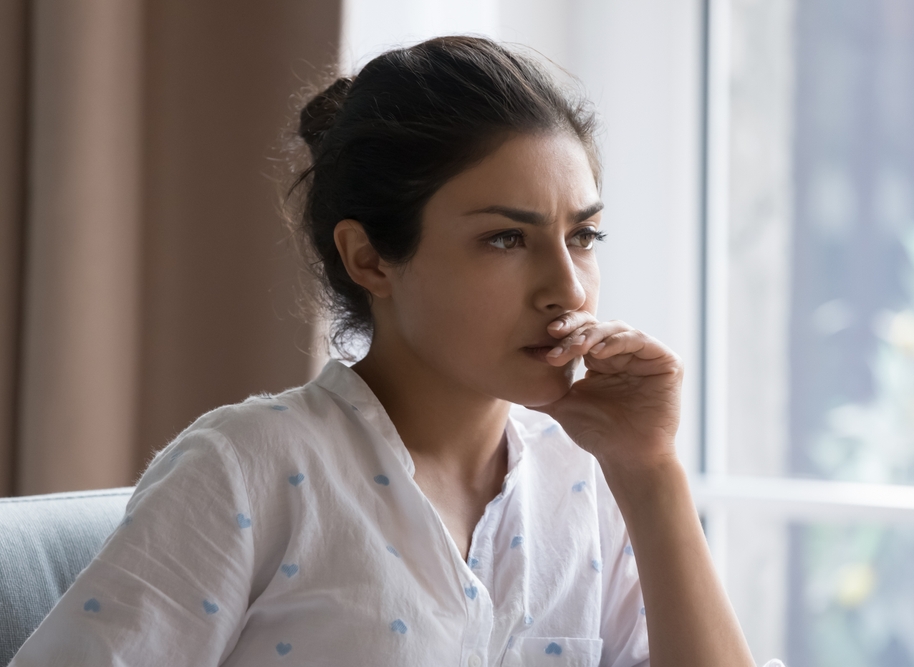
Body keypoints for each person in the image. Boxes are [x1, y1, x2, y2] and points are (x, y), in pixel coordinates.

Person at [10, 36, 779, 667]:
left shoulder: (588, 485)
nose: (568, 289)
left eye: (582, 236)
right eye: (505, 239)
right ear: (370, 258)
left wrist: (651, 472)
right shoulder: (247, 469)